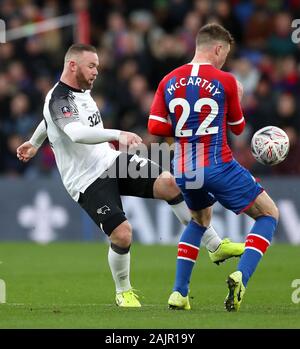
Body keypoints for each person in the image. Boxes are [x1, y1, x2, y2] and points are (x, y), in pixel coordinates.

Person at [17, 43, 244, 308]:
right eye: (91, 66)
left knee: (172, 184)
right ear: (72, 65)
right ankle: (122, 291)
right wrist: (117, 134)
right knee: (123, 234)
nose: (96, 72)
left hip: (111, 161)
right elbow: (76, 133)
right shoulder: (59, 99)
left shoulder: (80, 92)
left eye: (98, 67)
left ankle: (215, 246)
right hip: (86, 180)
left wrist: (34, 143)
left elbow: (48, 121)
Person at [148, 23, 279, 311]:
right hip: (217, 164)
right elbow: (238, 127)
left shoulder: (168, 80)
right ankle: (240, 276)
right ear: (218, 48)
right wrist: (238, 98)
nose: (224, 61)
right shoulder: (227, 80)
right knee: (269, 214)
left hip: (183, 168)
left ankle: (179, 293)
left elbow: (154, 125)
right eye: (224, 55)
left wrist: (183, 140)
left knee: (199, 221)